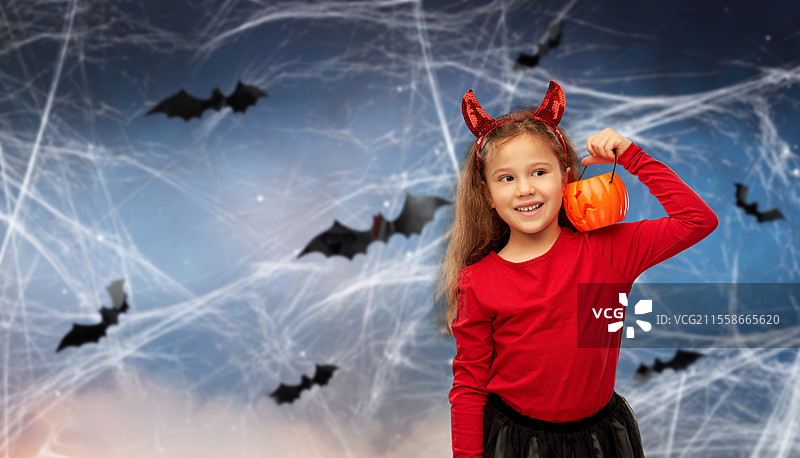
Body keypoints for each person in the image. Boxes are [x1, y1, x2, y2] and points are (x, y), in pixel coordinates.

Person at [435, 81, 718, 457]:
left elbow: (697, 220)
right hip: (517, 442)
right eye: (507, 178)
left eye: (539, 172)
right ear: (487, 194)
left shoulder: (610, 250)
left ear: (565, 175)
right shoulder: (479, 280)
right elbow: (469, 385)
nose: (524, 189)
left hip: (600, 439)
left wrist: (633, 157)